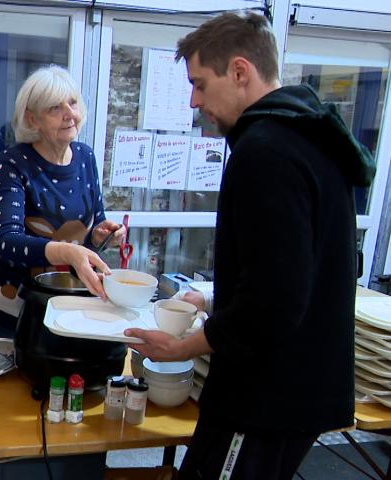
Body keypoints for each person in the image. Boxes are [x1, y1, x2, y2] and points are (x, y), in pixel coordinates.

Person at [125, 13, 375, 479]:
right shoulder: (310, 134)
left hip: (266, 400)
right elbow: (293, 267)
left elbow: (273, 304)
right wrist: (214, 297)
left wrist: (180, 349)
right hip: (301, 390)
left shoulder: (266, 151)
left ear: (240, 71)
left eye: (200, 84)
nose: (194, 101)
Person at [0, 65, 124, 339]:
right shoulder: (14, 161)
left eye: (72, 103)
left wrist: (100, 234)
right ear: (32, 120)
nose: (69, 114)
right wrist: (68, 252)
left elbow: (91, 230)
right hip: (15, 308)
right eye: (55, 108)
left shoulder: (85, 157)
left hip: (69, 302)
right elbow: (7, 241)